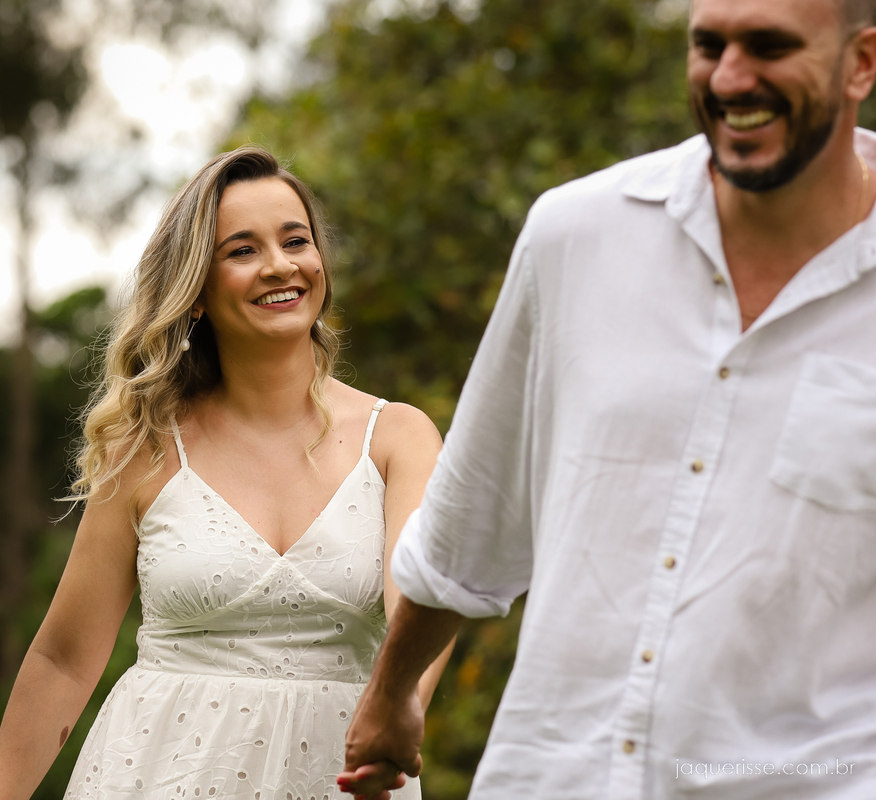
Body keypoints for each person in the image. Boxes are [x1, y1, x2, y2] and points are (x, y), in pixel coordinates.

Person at [340, 0, 876, 798]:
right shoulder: (576, 236)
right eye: (709, 45)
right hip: (556, 774)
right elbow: (471, 512)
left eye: (769, 46)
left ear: (861, 63)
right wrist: (391, 694)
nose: (731, 78)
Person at [0, 145, 450, 800]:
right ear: (195, 290)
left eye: (296, 241)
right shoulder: (143, 448)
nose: (280, 265)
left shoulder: (398, 438)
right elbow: (63, 660)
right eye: (243, 250)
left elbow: (424, 608)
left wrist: (398, 708)